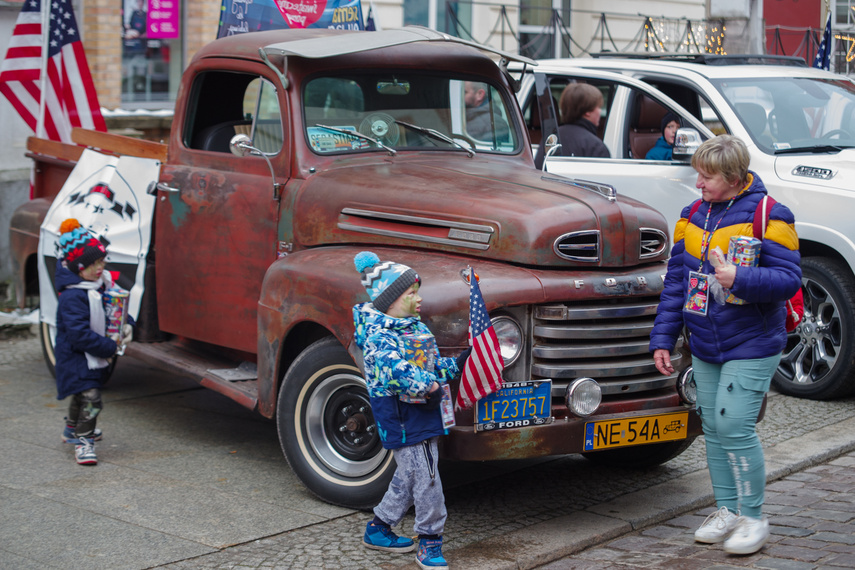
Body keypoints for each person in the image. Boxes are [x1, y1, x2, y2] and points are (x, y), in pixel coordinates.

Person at [650, 135, 801, 555]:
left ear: (734, 178)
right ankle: (727, 510)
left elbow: (790, 280)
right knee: (713, 427)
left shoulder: (773, 215)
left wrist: (742, 279)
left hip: (753, 340)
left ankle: (753, 517)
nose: (697, 182)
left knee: (733, 425)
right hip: (705, 341)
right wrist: (662, 338)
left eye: (707, 175)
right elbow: (676, 283)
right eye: (697, 173)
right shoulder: (692, 214)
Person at [353, 251, 465, 569]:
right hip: (403, 417)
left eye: (417, 292)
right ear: (390, 300)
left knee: (410, 474)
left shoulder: (413, 329)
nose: (419, 299)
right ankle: (430, 540)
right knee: (427, 477)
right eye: (411, 293)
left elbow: (426, 367)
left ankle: (379, 528)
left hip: (421, 412)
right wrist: (426, 386)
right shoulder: (379, 337)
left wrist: (451, 367)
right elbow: (396, 369)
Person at [54, 219, 132, 466]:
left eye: (101, 261)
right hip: (75, 357)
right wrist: (109, 347)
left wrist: (126, 323)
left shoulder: (100, 284)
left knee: (81, 393)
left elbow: (115, 308)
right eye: (94, 263)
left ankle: (71, 429)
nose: (101, 267)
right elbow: (78, 334)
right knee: (92, 398)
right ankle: (84, 439)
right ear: (79, 268)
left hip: (91, 355)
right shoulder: (73, 296)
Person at [534, 82, 610, 169]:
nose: (600, 112)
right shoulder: (595, 146)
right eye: (599, 107)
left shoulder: (551, 137)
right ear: (587, 112)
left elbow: (539, 171)